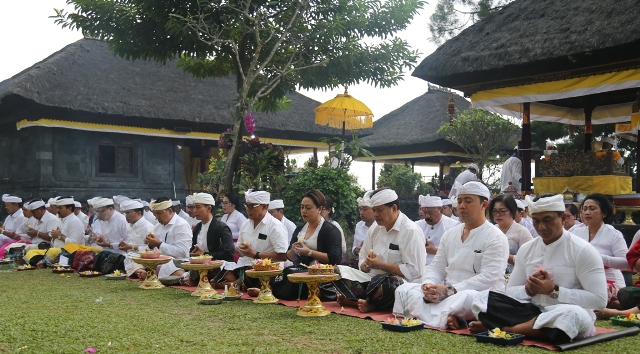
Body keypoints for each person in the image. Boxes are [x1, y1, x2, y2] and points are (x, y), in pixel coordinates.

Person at [470, 194, 608, 344]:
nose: (541, 227)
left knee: (573, 316)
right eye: (536, 221)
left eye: (547, 220)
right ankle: (529, 329)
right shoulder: (527, 249)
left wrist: (553, 291)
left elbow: (599, 300)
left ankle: (505, 329)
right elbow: (510, 291)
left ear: (563, 218)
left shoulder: (583, 250)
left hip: (565, 311)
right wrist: (528, 290)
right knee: (481, 299)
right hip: (530, 310)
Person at [393, 181, 509, 329]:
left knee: (469, 298)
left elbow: (488, 277)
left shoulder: (495, 237)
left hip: (476, 294)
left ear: (484, 205)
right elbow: (437, 267)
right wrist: (428, 285)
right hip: (444, 294)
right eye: (459, 201)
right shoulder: (451, 234)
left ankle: (443, 315)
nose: (461, 206)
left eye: (468, 201)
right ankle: (449, 316)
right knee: (403, 290)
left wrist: (450, 290)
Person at [334, 188, 427, 313]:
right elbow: (363, 256)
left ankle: (362, 302)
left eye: (380, 210)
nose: (376, 214)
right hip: (371, 281)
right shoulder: (375, 228)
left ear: (394, 208)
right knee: (339, 269)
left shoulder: (410, 231)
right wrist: (365, 265)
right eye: (374, 210)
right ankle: (365, 300)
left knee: (390, 285)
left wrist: (381, 265)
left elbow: (415, 272)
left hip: (399, 284)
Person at [272, 189, 343, 300]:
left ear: (320, 209)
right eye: (302, 207)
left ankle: (274, 292)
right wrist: (292, 251)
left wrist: (309, 252)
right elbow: (289, 257)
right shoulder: (300, 229)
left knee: (290, 283)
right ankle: (270, 290)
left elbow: (335, 258)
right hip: (301, 270)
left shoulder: (330, 230)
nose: (304, 211)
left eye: (308, 208)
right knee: (282, 275)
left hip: (322, 275)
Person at [215, 190, 288, 289]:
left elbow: (282, 256)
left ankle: (228, 284)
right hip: (244, 266)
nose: (248, 210)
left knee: (253, 275)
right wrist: (240, 250)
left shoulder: (275, 226)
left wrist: (255, 254)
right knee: (216, 268)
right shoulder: (246, 224)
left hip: (267, 269)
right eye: (246, 205)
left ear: (264, 206)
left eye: (252, 206)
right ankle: (237, 283)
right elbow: (238, 250)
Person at [572, 193, 628, 306]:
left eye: (592, 209)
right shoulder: (575, 232)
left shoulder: (613, 234)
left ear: (604, 213)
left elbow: (626, 263)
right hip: (582, 280)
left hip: (610, 283)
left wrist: (598, 258)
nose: (587, 212)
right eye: (584, 209)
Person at [144, 197, 192, 279]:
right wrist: (150, 245)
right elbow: (155, 249)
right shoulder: (158, 226)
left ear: (169, 211)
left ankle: (184, 276)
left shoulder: (181, 224)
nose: (156, 217)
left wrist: (159, 244)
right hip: (160, 261)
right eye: (155, 214)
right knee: (133, 257)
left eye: (159, 213)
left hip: (178, 262)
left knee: (167, 264)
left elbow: (182, 253)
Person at [489, 195, 533, 273]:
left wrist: (503, 256)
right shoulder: (490, 230)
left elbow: (530, 260)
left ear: (512, 211)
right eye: (495, 211)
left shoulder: (522, 232)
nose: (498, 214)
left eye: (502, 211)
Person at [415, 195, 459, 266]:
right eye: (425, 212)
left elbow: (457, 254)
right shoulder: (417, 225)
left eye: (431, 213)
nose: (427, 216)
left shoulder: (454, 226)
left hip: (442, 269)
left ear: (441, 210)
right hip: (419, 267)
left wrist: (435, 250)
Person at [116, 199, 155, 277]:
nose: (126, 216)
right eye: (125, 213)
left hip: (143, 257)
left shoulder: (147, 227)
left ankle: (140, 272)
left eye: (128, 213)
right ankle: (138, 272)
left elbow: (152, 249)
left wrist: (131, 247)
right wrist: (125, 246)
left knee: (130, 259)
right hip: (130, 255)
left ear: (138, 213)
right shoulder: (130, 226)